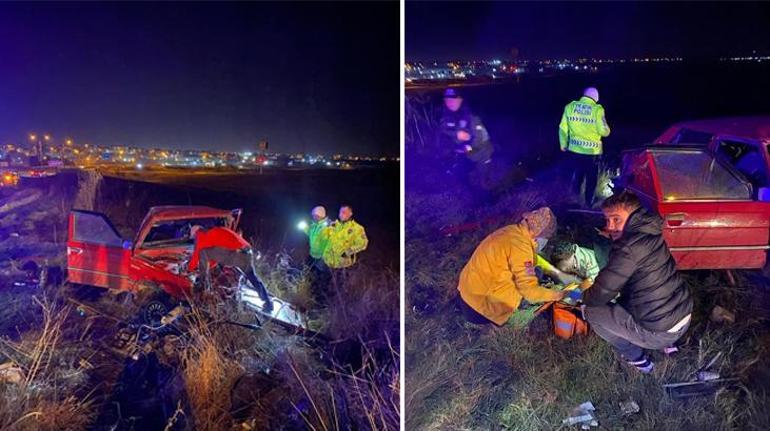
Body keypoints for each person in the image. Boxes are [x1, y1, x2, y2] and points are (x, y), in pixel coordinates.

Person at [581, 190, 692, 373]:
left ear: (634, 216)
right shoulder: (650, 232)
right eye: (608, 220)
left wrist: (583, 294)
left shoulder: (629, 247)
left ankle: (638, 359)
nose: (609, 226)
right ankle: (671, 346)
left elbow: (600, 294)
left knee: (592, 311)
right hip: (682, 313)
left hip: (660, 332)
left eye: (616, 219)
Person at [457, 207, 567, 326]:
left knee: (536, 271)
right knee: (533, 281)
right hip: (479, 308)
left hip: (466, 292)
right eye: (546, 238)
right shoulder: (522, 249)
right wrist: (558, 295)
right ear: (539, 236)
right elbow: (529, 291)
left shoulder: (512, 231)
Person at [188, 225, 273, 312]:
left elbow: (197, 253)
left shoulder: (201, 235)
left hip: (236, 254)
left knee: (203, 252)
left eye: (194, 237)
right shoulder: (217, 231)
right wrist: (208, 266)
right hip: (247, 253)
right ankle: (268, 302)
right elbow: (216, 256)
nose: (195, 239)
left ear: (196, 233)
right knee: (252, 277)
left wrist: (190, 269)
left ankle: (202, 285)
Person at [559, 87, 611, 207]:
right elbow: (604, 131)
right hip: (592, 151)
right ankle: (589, 203)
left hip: (574, 149)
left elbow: (562, 127)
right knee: (591, 179)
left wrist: (563, 144)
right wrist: (607, 129)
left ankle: (573, 200)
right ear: (595, 98)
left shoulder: (570, 107)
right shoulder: (597, 110)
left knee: (577, 175)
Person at [437, 88, 494, 189]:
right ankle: (467, 189)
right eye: (447, 99)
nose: (450, 102)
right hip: (464, 153)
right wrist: (456, 134)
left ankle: (487, 198)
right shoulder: (447, 115)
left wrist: (468, 142)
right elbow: (443, 129)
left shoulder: (472, 115)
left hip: (482, 152)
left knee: (483, 179)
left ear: (460, 99)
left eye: (453, 98)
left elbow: (481, 139)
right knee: (458, 174)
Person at [322, 205, 368, 269]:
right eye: (340, 212)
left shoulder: (357, 228)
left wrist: (348, 252)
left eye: (344, 212)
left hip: (343, 264)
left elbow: (363, 243)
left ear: (350, 214)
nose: (341, 214)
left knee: (339, 278)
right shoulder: (333, 225)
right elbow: (324, 237)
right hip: (327, 261)